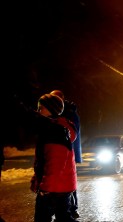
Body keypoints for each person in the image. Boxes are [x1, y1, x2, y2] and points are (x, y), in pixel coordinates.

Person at [22, 93, 78, 222]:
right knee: (63, 218)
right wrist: (37, 178)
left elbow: (55, 163)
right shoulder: (56, 128)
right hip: (61, 187)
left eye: (41, 108)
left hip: (53, 189)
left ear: (51, 109)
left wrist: (46, 188)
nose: (38, 111)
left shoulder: (55, 131)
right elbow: (44, 161)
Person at [50, 90, 82, 219]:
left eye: (56, 98)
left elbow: (73, 134)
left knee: (68, 183)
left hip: (67, 152)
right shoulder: (51, 112)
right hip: (55, 151)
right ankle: (59, 209)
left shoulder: (69, 112)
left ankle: (71, 208)